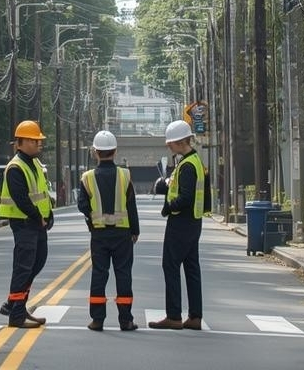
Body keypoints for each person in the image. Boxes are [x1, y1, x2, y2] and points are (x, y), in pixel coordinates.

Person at [148, 119, 211, 331]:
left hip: (181, 222)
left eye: (171, 143)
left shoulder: (186, 166)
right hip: (194, 221)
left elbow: (185, 197)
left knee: (171, 265)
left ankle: (174, 316)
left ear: (180, 142)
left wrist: (167, 208)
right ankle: (195, 316)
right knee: (192, 268)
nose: (168, 146)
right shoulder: (194, 162)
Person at [77, 130, 140, 332]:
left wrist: (92, 220)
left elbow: (82, 205)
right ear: (114, 151)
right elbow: (131, 205)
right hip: (123, 234)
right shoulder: (125, 175)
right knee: (123, 275)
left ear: (95, 152)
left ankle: (97, 319)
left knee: (99, 274)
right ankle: (125, 320)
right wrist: (135, 231)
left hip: (99, 235)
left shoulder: (87, 178)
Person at [0, 120, 53, 328]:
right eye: (35, 140)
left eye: (39, 140)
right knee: (24, 267)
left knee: (37, 262)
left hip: (37, 224)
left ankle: (15, 303)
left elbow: (42, 194)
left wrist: (49, 214)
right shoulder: (15, 167)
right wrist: (38, 216)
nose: (39, 144)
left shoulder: (35, 164)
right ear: (21, 142)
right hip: (24, 224)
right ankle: (16, 314)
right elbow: (21, 199)